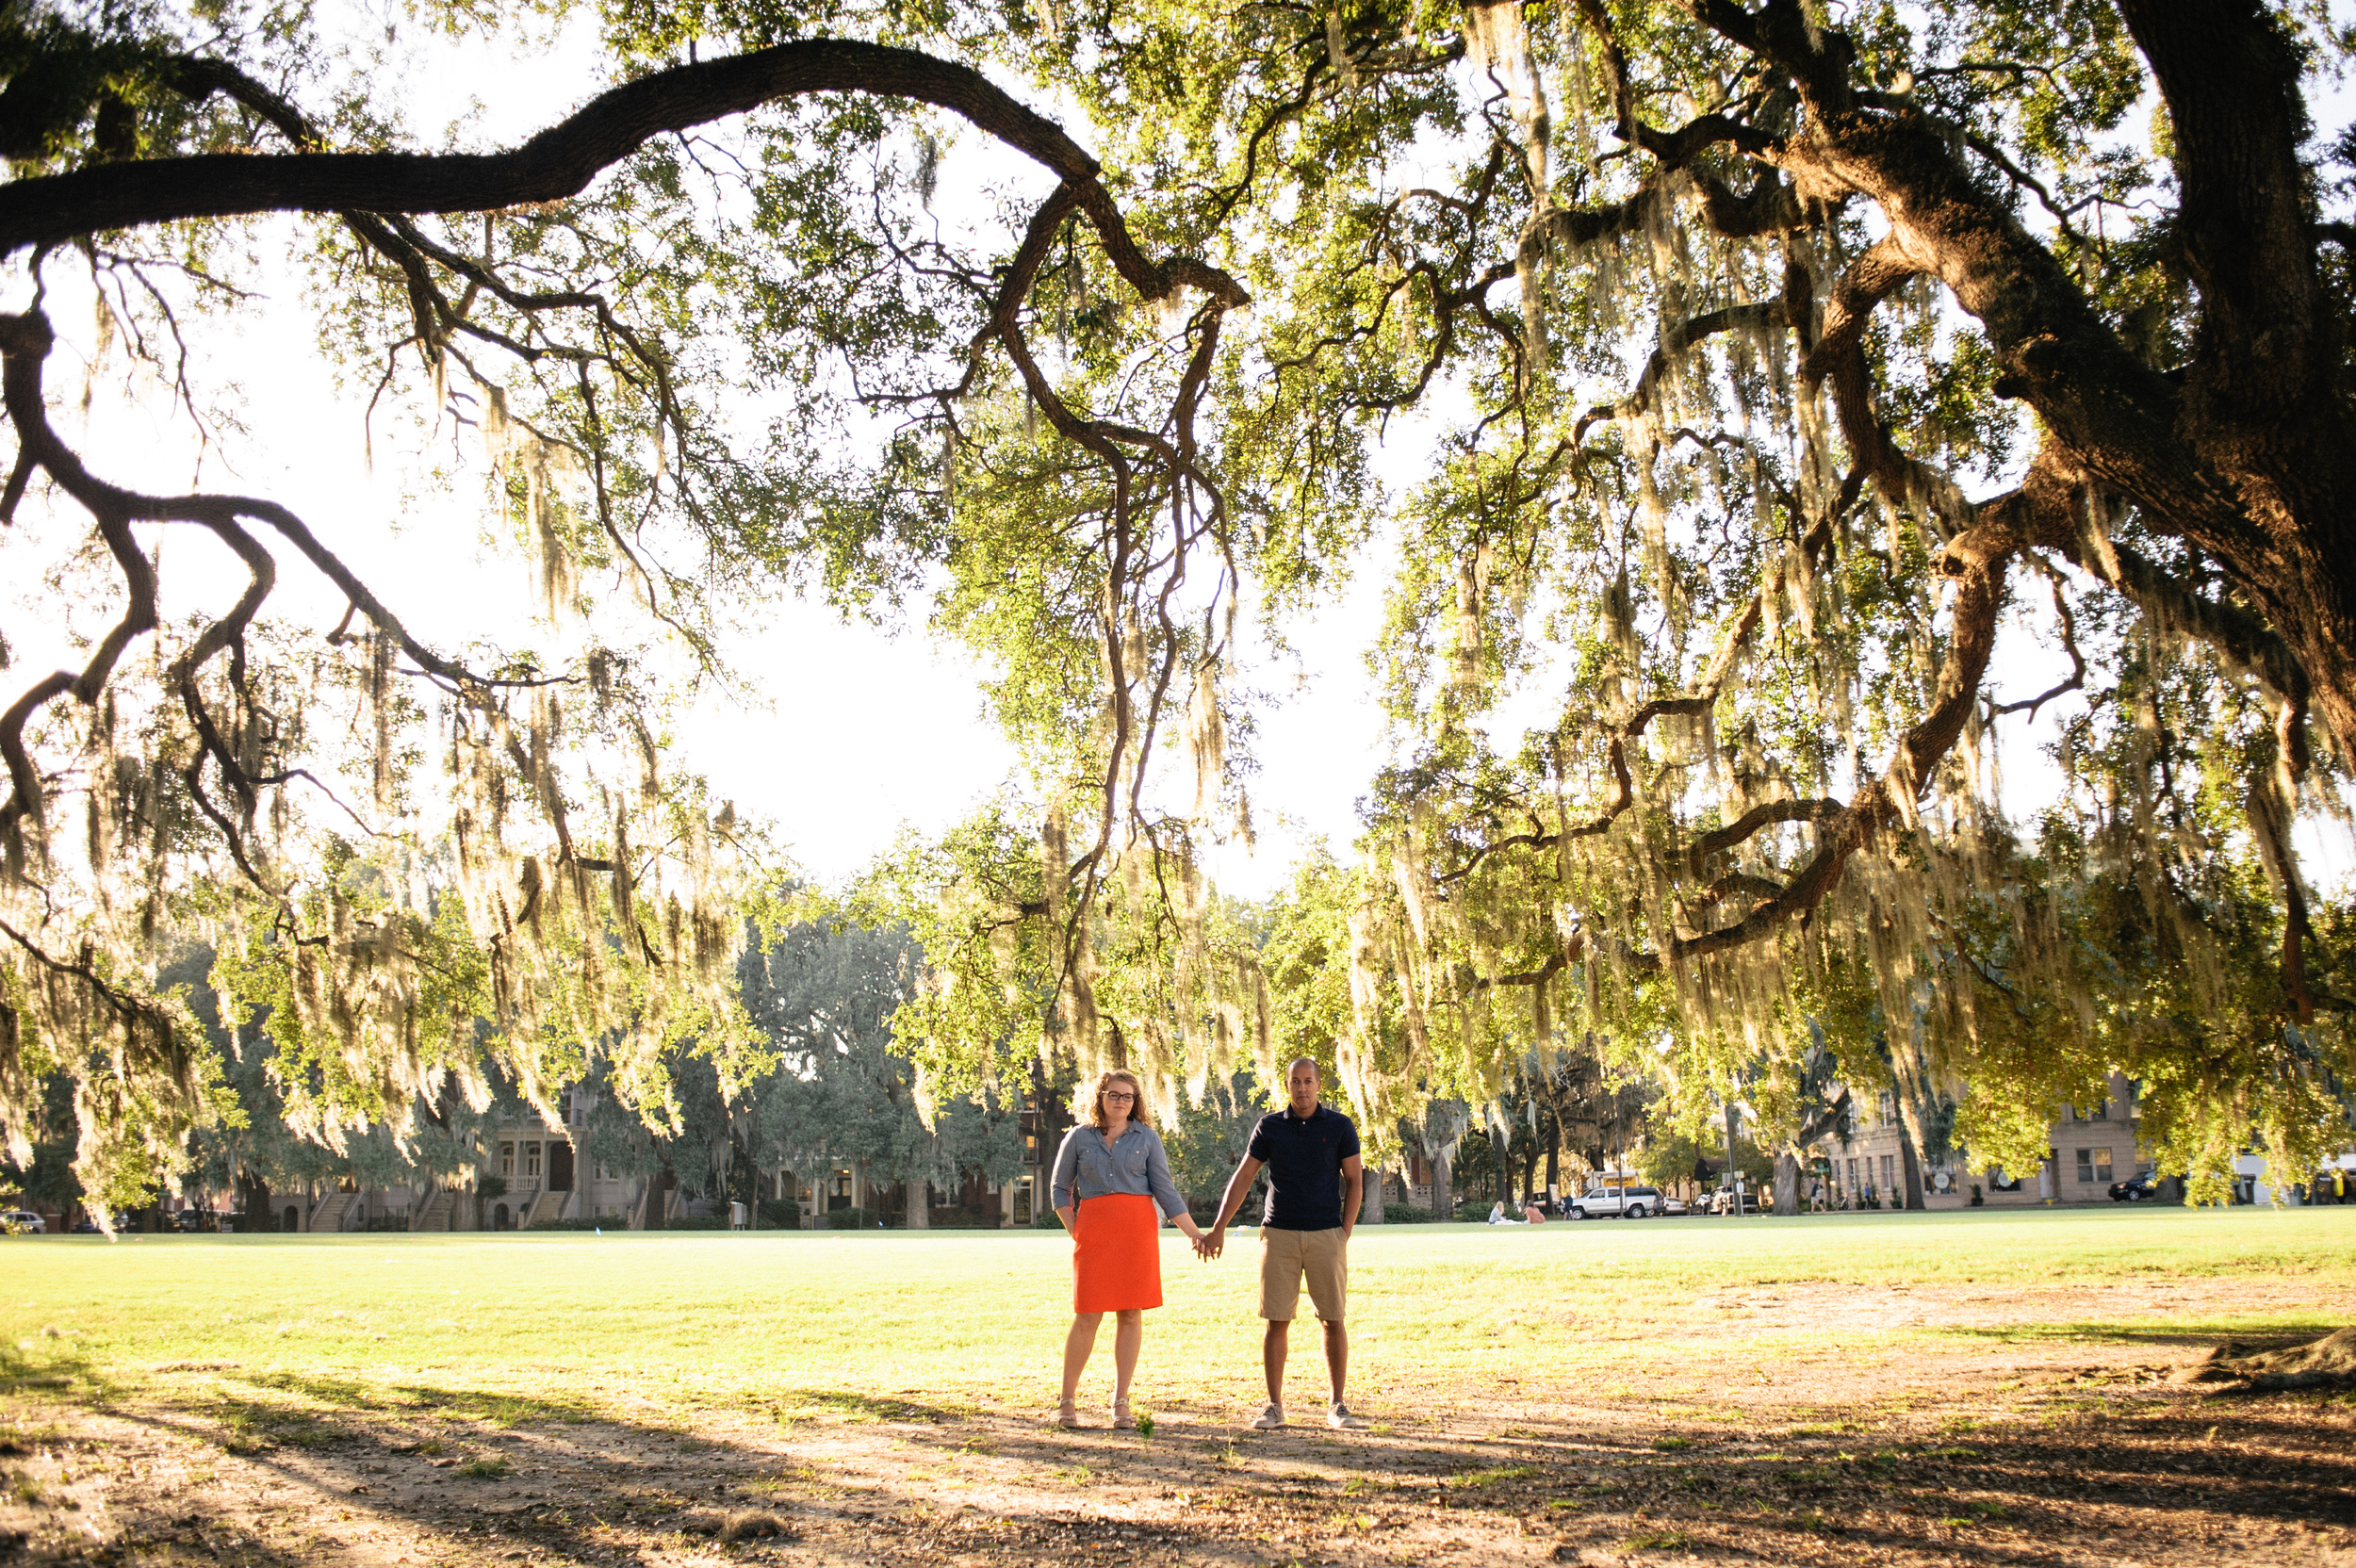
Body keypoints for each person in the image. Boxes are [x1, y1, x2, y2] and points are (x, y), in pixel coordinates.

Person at [1203, 1057, 1366, 1431]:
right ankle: (1274, 1406)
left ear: (1319, 1084)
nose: (1302, 1088)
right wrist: (1218, 1227)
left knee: (1333, 1320)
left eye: (1309, 1081)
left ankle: (1338, 1406)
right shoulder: (1270, 1127)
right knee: (1277, 1321)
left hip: (1327, 1235)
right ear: (1287, 1085)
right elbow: (1243, 1177)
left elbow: (1355, 1181)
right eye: (1296, 1081)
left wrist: (1344, 1232)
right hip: (1278, 1235)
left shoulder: (1340, 1126)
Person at [1049, 1070, 1211, 1430]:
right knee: (1088, 1314)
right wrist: (1077, 1231)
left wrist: (1194, 1234)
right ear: (1100, 1096)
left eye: (1128, 1096)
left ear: (1135, 1102)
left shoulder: (1147, 1138)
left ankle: (1121, 1400)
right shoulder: (1078, 1137)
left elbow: (1166, 1192)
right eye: (1114, 1094)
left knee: (1131, 1313)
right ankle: (1067, 1400)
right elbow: (1060, 1190)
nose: (1120, 1101)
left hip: (1136, 1231)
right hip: (1093, 1230)